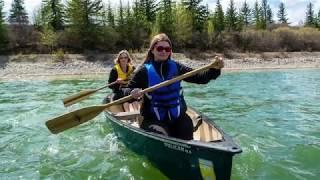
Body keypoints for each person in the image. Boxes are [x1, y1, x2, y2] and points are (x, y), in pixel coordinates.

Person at [124, 33, 224, 140]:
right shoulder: (143, 71)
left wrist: (215, 69)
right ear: (152, 50)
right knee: (160, 135)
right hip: (154, 119)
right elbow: (124, 90)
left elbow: (200, 78)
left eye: (167, 49)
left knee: (186, 127)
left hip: (178, 118)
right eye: (160, 48)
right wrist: (131, 93)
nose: (163, 51)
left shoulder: (177, 67)